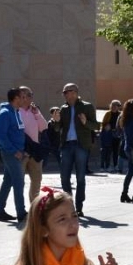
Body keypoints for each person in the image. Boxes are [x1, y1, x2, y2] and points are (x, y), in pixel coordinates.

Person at [53, 83, 99, 217]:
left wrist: (86, 122)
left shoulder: (87, 106)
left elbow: (96, 125)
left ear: (76, 93)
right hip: (66, 146)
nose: (67, 95)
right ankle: (69, 205)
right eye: (65, 93)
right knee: (64, 177)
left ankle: (79, 206)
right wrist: (56, 121)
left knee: (80, 178)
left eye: (69, 92)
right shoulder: (63, 109)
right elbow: (57, 129)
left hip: (81, 146)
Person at [0, 88, 27, 223]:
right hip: (10, 154)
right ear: (16, 98)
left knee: (7, 182)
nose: (24, 99)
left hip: (16, 153)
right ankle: (21, 213)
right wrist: (15, 151)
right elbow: (1, 136)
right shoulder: (5, 113)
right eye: (22, 97)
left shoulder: (16, 112)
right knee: (19, 182)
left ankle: (0, 211)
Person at [18, 86, 48, 203]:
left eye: (31, 94)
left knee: (36, 181)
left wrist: (37, 114)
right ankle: (21, 209)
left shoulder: (35, 110)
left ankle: (34, 207)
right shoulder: (15, 111)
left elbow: (44, 127)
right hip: (21, 151)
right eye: (28, 95)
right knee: (19, 181)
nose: (31, 97)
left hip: (35, 150)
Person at [101, 100, 123, 173]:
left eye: (116, 105)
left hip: (117, 134)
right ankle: (106, 165)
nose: (114, 107)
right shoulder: (108, 113)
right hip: (108, 134)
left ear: (118, 107)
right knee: (107, 150)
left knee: (116, 151)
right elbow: (103, 123)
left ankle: (115, 165)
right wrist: (106, 126)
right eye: (112, 105)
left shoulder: (120, 114)